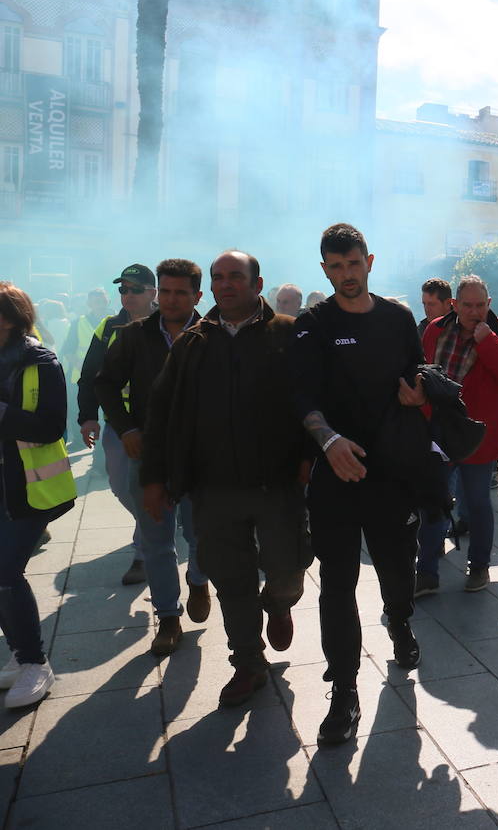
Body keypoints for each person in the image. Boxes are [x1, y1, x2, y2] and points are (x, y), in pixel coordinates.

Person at [141, 252, 311, 706]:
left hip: (277, 485)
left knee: (289, 570)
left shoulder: (288, 335)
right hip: (213, 489)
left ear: (258, 283)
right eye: (218, 278)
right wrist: (154, 478)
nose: (226, 285)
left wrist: (310, 456)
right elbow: (161, 414)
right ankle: (248, 664)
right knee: (231, 581)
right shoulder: (193, 344)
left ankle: (277, 602)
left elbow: (314, 400)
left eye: (236, 277)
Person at [292, 223, 428, 745]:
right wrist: (328, 442)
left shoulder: (397, 318)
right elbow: (301, 398)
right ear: (324, 269)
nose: (347, 275)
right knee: (338, 584)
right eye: (336, 266)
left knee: (398, 569)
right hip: (337, 475)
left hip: (392, 474)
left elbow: (417, 376)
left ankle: (399, 621)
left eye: (354, 264)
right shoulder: (312, 325)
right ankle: (344, 691)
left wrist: (421, 397)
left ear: (369, 261)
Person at [94, 259, 211, 656]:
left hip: (201, 457)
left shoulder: (211, 335)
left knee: (201, 535)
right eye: (166, 291)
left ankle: (198, 580)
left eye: (182, 292)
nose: (172, 299)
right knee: (157, 540)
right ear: (157, 293)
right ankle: (168, 617)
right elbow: (106, 384)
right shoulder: (135, 336)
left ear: (198, 295)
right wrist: (125, 428)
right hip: (149, 455)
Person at [419, 275, 498, 593]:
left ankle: (479, 566)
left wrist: (488, 341)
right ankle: (426, 571)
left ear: (489, 304)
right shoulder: (436, 330)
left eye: (480, 305)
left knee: (479, 503)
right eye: (467, 305)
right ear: (454, 304)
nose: (474, 311)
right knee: (433, 502)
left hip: (478, 435)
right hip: (440, 432)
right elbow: (425, 374)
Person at [0, 282, 77, 708]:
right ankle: (19, 653)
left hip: (29, 487)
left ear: (10, 319)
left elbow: (51, 427)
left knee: (6, 572)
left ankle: (34, 663)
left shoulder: (40, 361)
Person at [76, 265, 155, 585]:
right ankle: (153, 527)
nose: (128, 296)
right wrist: (87, 416)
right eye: (123, 290)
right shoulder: (108, 327)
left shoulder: (169, 323)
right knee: (121, 486)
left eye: (135, 289)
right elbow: (90, 374)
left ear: (153, 292)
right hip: (116, 424)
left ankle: (143, 551)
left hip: (158, 424)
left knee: (146, 488)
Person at [418, 278, 452, 342]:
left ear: (448, 303)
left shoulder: (463, 324)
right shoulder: (422, 330)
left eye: (431, 304)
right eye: (424, 304)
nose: (426, 309)